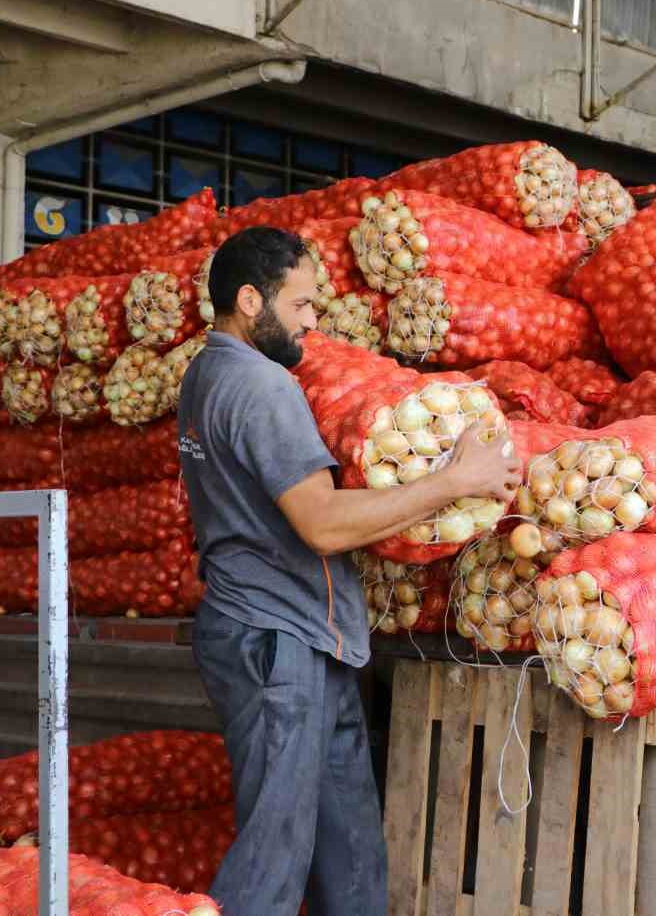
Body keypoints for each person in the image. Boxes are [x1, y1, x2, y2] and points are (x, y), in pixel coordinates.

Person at [176, 226, 521, 916]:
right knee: (273, 862)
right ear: (251, 300)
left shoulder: (204, 373)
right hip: (275, 644)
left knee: (351, 852)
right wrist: (455, 482)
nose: (312, 320)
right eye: (301, 304)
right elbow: (324, 524)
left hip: (306, 638)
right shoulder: (260, 386)